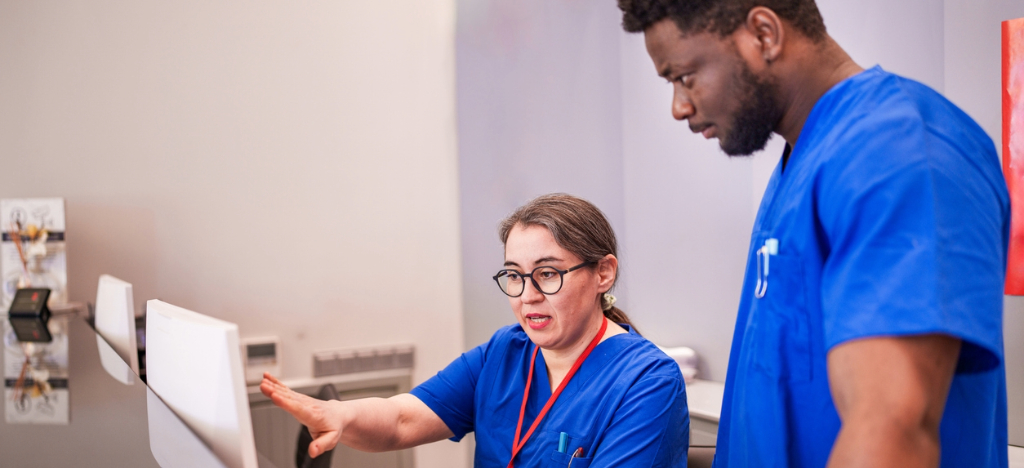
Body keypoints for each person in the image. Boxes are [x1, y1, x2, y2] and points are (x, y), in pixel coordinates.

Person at [616, 1, 1009, 467]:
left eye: (683, 77)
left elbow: (889, 434)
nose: (680, 107)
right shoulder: (803, 161)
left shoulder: (899, 151)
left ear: (764, 34)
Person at [261, 193, 689, 467]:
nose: (527, 296)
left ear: (603, 274)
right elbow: (402, 420)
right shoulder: (505, 352)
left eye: (547, 274)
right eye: (514, 276)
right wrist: (343, 416)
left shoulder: (646, 382)